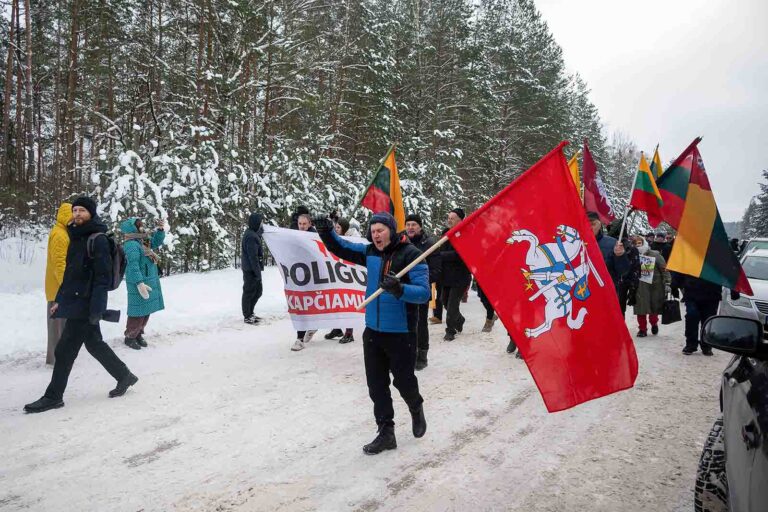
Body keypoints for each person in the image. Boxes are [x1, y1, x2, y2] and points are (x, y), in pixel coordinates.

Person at [315, 211, 430, 455]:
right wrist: (326, 231)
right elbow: (341, 247)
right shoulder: (369, 252)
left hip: (401, 332)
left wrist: (400, 289)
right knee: (376, 386)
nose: (376, 234)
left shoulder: (412, 255)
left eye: (381, 230)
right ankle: (386, 432)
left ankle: (415, 406)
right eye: (373, 230)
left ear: (391, 230)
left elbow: (423, 293)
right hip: (373, 331)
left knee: (404, 381)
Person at [24, 197, 138, 413]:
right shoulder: (75, 236)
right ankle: (124, 376)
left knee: (65, 350)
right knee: (94, 344)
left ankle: (53, 396)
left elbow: (101, 279)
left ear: (91, 213)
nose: (77, 214)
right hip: (75, 301)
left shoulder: (98, 239)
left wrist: (96, 309)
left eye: (82, 210)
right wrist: (60, 300)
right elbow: (70, 274)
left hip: (86, 305)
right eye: (75, 210)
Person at [121, 217, 166, 349]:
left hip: (148, 280)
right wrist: (139, 283)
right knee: (137, 312)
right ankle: (130, 336)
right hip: (138, 282)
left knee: (146, 310)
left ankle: (138, 333)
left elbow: (155, 242)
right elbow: (133, 266)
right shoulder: (131, 244)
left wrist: (160, 230)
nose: (142, 226)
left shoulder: (141, 241)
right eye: (139, 225)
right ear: (132, 228)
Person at [404, 213, 441, 370]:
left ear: (420, 226)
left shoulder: (429, 244)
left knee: (420, 322)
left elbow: (436, 270)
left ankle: (422, 354)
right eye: (408, 224)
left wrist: (419, 282)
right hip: (403, 290)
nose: (410, 227)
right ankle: (407, 354)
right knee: (404, 323)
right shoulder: (402, 242)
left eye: (414, 224)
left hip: (420, 290)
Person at [44, 202, 72, 364]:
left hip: (57, 288)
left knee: (61, 325)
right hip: (58, 289)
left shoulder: (62, 232)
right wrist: (65, 286)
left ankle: (58, 357)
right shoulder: (60, 235)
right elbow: (59, 263)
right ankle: (56, 358)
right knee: (57, 326)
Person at [440, 208, 471, 341]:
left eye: (452, 218)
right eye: (449, 217)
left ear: (460, 219)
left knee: (452, 304)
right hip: (446, 276)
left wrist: (440, 256)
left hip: (460, 276)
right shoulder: (445, 234)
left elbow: (460, 255)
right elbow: (440, 249)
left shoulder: (466, 234)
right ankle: (460, 319)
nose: (449, 220)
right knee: (445, 303)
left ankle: (450, 330)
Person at [672, 274, 721, 355]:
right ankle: (691, 344)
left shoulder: (719, 261)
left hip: (712, 294)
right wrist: (674, 284)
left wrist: (734, 291)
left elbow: (728, 272)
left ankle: (706, 345)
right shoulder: (690, 260)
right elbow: (681, 269)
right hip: (692, 291)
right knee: (692, 316)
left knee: (708, 320)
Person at [632, 235, 671, 337]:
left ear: (644, 242)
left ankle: (654, 323)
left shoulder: (654, 254)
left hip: (655, 286)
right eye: (635, 244)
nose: (637, 245)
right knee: (640, 308)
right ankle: (642, 329)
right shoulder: (633, 255)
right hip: (639, 286)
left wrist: (667, 282)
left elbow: (664, 269)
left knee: (654, 307)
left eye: (639, 243)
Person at [325, 218, 355, 344]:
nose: (336, 229)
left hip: (347, 277)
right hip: (335, 275)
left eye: (338, 227)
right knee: (336, 303)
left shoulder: (350, 241)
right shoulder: (334, 241)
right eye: (335, 227)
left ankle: (349, 333)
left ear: (344, 229)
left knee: (347, 304)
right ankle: (337, 328)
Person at [291, 213, 317, 351]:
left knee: (313, 303)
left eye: (304, 224)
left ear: (309, 224)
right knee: (300, 305)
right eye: (300, 224)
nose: (301, 226)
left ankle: (313, 325)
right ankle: (300, 338)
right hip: (299, 276)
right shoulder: (295, 235)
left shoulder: (314, 237)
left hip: (313, 276)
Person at [586, 211, 628, 294]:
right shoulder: (574, 243)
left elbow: (623, 271)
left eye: (593, 224)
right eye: (586, 224)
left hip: (605, 291)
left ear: (599, 225)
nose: (590, 227)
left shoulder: (612, 243)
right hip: (581, 291)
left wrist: (620, 256)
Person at [241, 212, 265, 325]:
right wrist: (257, 272)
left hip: (252, 269)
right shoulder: (251, 236)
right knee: (249, 292)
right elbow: (253, 257)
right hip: (251, 270)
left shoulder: (252, 233)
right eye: (260, 222)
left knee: (258, 292)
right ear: (256, 223)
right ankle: (247, 316)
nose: (262, 224)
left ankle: (250, 313)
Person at [617, 235, 640, 318]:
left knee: (621, 304)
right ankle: (620, 323)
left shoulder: (633, 249)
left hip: (627, 279)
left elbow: (636, 265)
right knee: (620, 304)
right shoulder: (615, 249)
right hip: (622, 280)